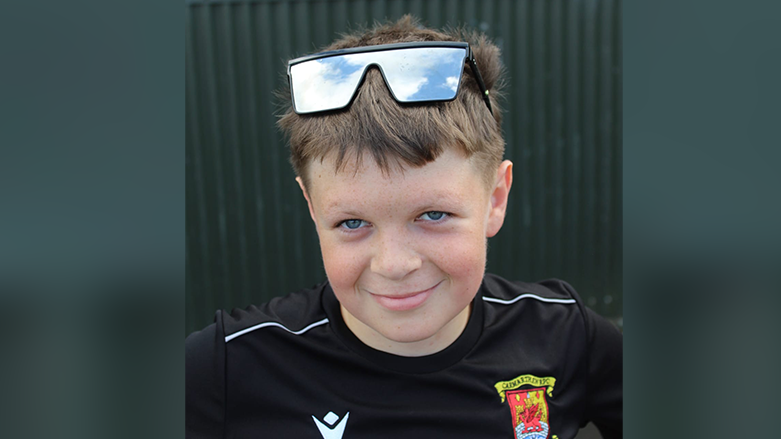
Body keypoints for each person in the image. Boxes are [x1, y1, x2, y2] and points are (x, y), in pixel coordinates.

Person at [186, 15, 622, 439]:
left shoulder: (567, 335)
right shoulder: (228, 364)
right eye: (352, 222)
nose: (395, 265)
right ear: (312, 207)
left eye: (433, 215)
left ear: (495, 198)